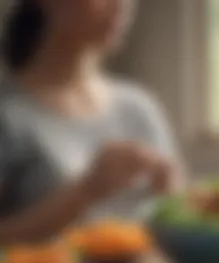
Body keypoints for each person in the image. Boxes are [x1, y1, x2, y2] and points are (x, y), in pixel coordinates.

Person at [0, 0, 183, 244]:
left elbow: (177, 211)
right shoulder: (8, 115)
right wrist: (85, 192)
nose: (121, 5)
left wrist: (176, 196)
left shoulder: (141, 107)